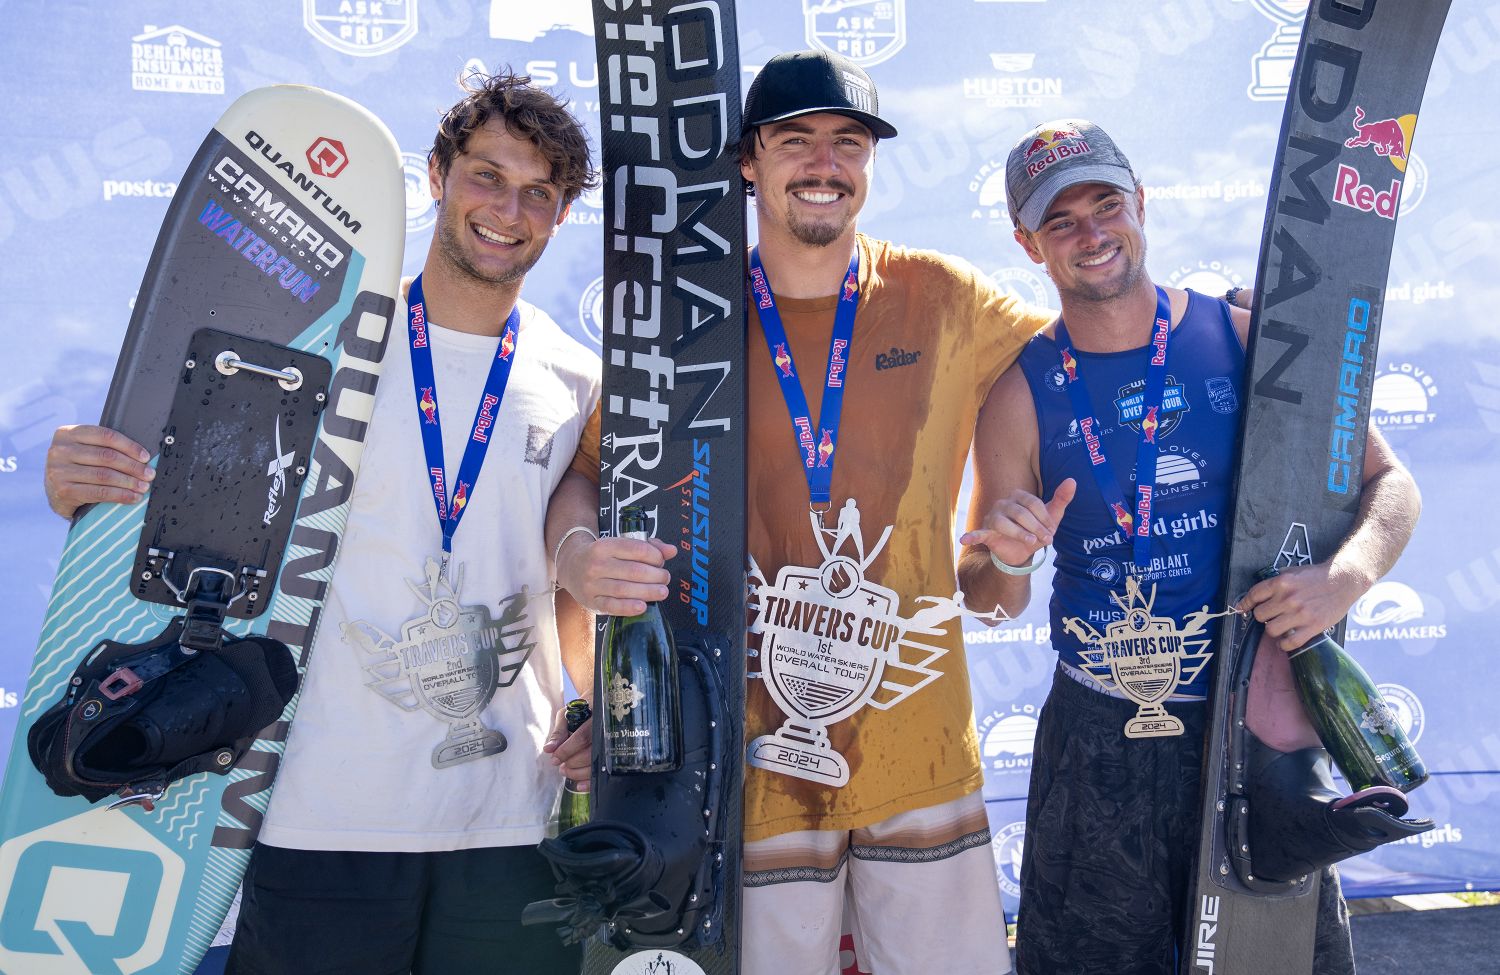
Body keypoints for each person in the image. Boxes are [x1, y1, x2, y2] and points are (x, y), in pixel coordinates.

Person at [41, 70, 658, 974]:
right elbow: (174, 500)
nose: (508, 209)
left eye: (539, 192)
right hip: (318, 806)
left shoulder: (573, 374)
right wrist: (79, 477)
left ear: (560, 214)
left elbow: (568, 548)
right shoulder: (317, 344)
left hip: (507, 814)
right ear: (440, 174)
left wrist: (588, 702)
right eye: (486, 175)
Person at [546, 50, 1053, 975]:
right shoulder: (685, 319)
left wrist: (1228, 318)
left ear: (868, 163)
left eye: (847, 142)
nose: (824, 162)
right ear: (750, 160)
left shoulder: (943, 298)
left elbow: (1086, 349)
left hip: (917, 748)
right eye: (796, 140)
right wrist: (579, 557)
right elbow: (585, 476)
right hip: (744, 765)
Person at [956, 118, 1421, 975]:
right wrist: (1009, 554)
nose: (1092, 234)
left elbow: (1391, 485)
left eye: (1106, 205)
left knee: (1279, 963)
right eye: (1061, 221)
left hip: (1252, 718)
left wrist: (1343, 578)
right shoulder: (1019, 392)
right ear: (1029, 245)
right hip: (1100, 732)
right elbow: (989, 593)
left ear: (1142, 205)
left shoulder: (1247, 337)